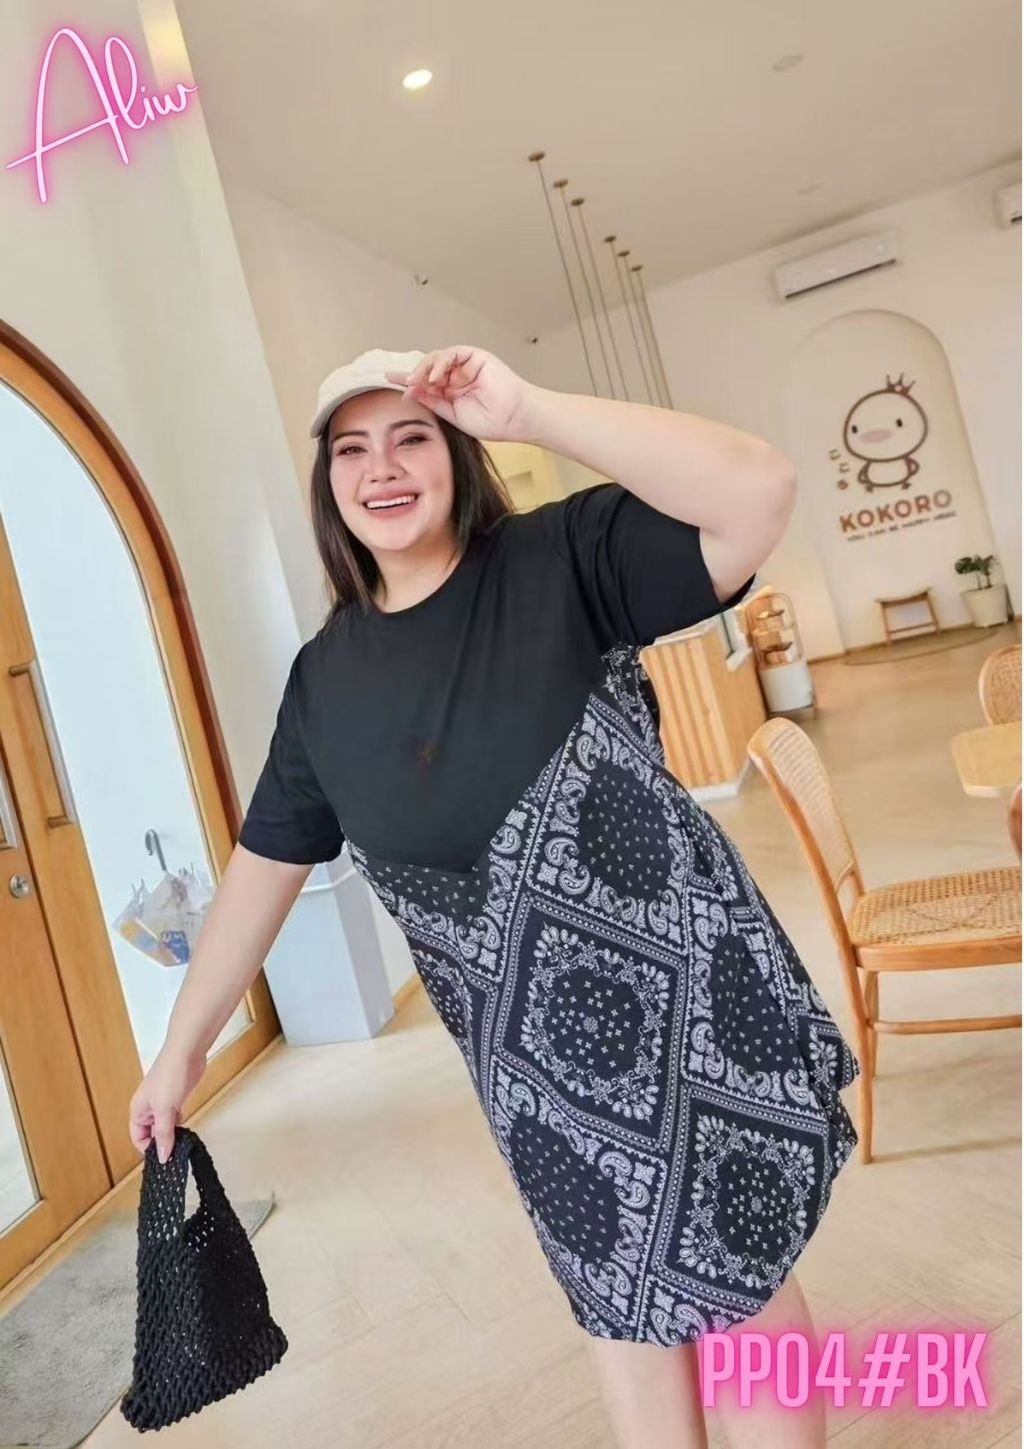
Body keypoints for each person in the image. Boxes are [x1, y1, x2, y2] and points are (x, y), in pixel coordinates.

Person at [129, 345, 860, 1447]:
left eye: (411, 437)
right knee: (616, 1303)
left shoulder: (558, 560)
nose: (382, 467)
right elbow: (264, 867)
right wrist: (180, 1050)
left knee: (737, 1291)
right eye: (352, 449)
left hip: (692, 1028)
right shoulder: (324, 682)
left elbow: (760, 488)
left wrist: (531, 409)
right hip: (535, 1080)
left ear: (460, 455)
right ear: (327, 484)